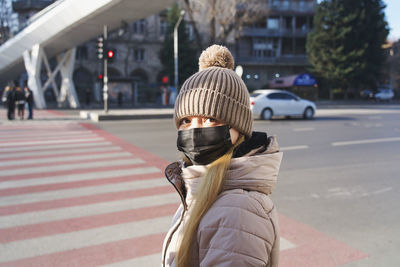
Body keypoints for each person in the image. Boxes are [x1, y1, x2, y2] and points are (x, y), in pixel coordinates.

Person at [162, 45, 283, 267]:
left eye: (209, 119)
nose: (195, 130)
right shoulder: (199, 188)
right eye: (186, 121)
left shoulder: (238, 212)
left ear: (239, 127)